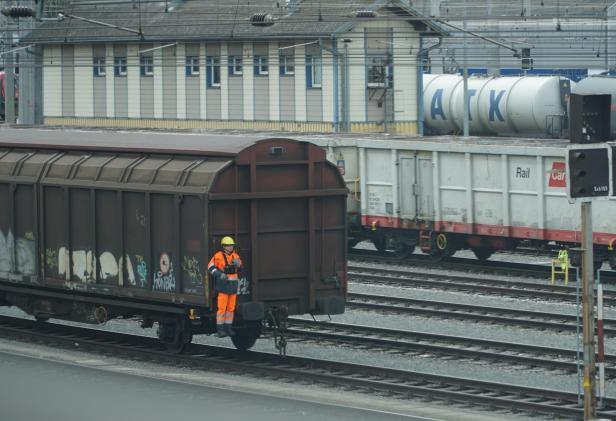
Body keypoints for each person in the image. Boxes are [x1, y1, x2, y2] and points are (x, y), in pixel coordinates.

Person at [208, 236, 242, 338]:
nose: (230, 247)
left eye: (231, 245)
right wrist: (219, 274)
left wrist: (239, 264)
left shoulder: (235, 256)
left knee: (231, 309)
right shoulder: (218, 256)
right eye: (228, 245)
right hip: (223, 287)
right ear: (224, 246)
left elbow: (241, 269)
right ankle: (220, 329)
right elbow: (210, 267)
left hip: (233, 287)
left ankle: (228, 327)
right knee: (221, 309)